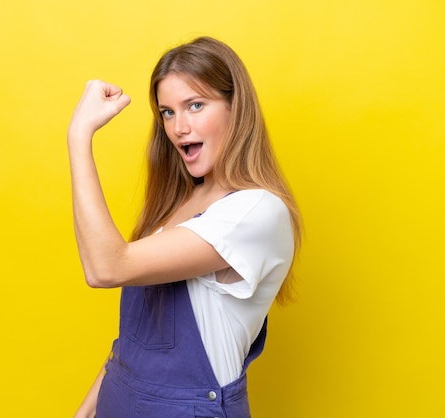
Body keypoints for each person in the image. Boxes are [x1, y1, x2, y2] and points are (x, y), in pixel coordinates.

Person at [68, 36, 301, 418]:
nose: (179, 127)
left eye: (195, 105)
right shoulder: (177, 204)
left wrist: (79, 136)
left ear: (236, 109)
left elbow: (106, 267)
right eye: (168, 112)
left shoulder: (256, 210)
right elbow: (132, 346)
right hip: (117, 401)